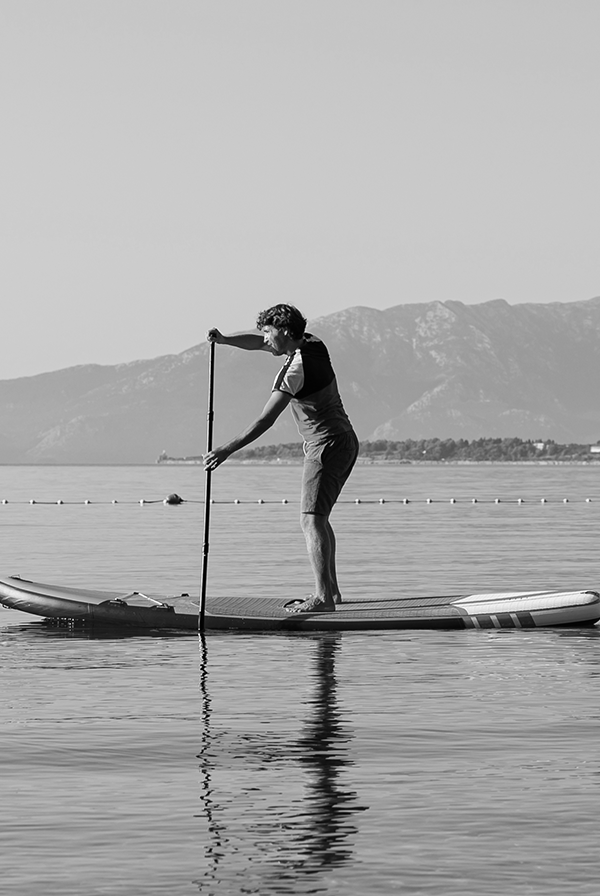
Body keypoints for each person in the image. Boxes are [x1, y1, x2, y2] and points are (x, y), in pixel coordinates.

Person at [204, 304, 359, 613]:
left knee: (310, 521)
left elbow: (265, 421)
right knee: (319, 519)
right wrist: (224, 340)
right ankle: (333, 593)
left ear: (286, 333)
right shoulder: (313, 342)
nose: (265, 338)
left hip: (326, 445)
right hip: (343, 441)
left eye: (269, 332)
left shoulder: (296, 369)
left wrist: (225, 450)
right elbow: (260, 344)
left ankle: (322, 599)